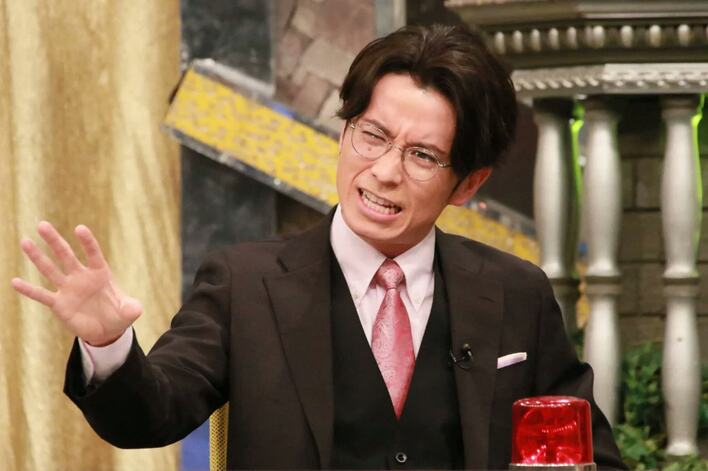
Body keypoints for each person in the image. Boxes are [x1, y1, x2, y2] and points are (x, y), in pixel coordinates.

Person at [12, 24, 626, 470]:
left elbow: (590, 456)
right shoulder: (244, 284)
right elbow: (150, 415)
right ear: (344, 129)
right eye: (372, 135)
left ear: (467, 184)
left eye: (421, 155)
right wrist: (108, 345)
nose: (384, 171)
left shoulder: (515, 293)